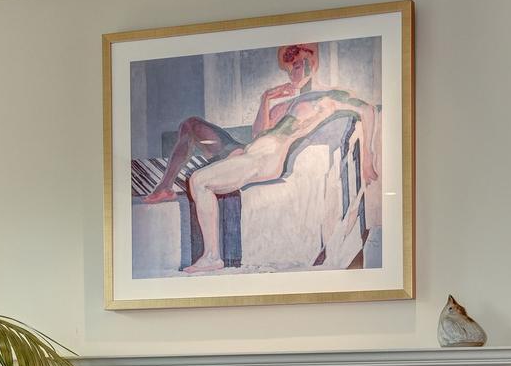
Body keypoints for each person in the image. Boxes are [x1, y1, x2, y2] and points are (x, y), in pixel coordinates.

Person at [183, 85, 379, 274]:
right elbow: (257, 134)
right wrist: (266, 99)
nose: (296, 70)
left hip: (266, 156)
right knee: (198, 177)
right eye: (291, 65)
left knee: (199, 180)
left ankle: (212, 256)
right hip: (254, 154)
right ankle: (211, 255)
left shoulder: (328, 98)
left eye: (301, 62)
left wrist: (368, 156)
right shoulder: (293, 104)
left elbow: (367, 109)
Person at [139, 43, 320, 205]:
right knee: (190, 124)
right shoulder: (282, 105)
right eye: (289, 70)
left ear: (310, 64)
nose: (292, 74)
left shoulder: (310, 107)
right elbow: (258, 136)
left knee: (203, 146)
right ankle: (165, 187)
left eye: (296, 66)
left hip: (248, 159)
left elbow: (263, 148)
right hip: (242, 151)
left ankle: (168, 186)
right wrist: (266, 99)